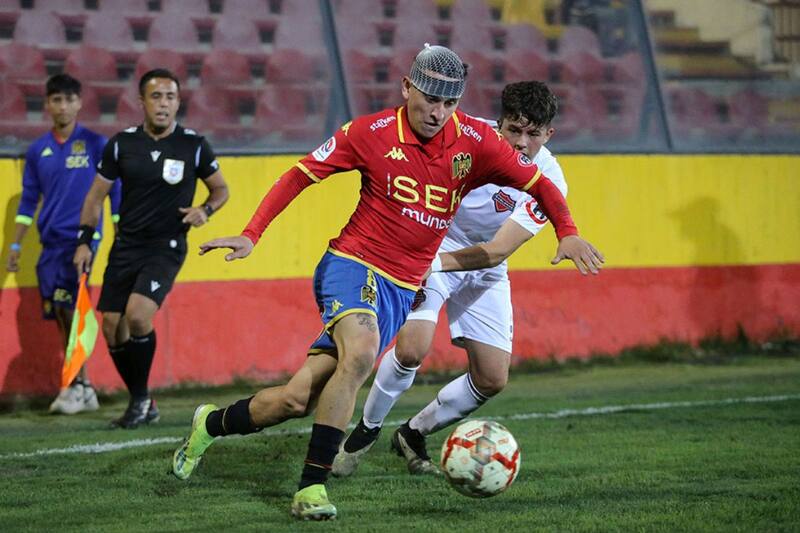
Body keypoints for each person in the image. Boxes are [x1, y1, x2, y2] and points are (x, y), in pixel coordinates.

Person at [172, 45, 603, 521]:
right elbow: (300, 175)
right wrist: (252, 233)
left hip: (403, 283)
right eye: (429, 100)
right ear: (406, 88)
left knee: (296, 399)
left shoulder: (477, 141)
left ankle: (209, 424)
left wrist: (568, 232)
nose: (438, 113)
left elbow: (541, 185)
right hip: (353, 262)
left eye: (449, 103)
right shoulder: (369, 133)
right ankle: (312, 488)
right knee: (361, 353)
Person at [332, 80, 598, 477]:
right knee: (411, 350)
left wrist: (436, 266)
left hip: (482, 265)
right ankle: (365, 432)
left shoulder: (550, 180)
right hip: (433, 245)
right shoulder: (463, 137)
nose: (522, 142)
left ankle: (412, 433)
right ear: (498, 124)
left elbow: (498, 250)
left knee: (492, 378)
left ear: (549, 134)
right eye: (514, 129)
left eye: (533, 134)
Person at [73, 68, 229, 429]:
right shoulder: (121, 144)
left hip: (167, 246)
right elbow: (95, 197)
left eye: (170, 97)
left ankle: (140, 401)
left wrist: (204, 210)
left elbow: (221, 190)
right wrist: (83, 241)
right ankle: (142, 399)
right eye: (156, 97)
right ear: (141, 101)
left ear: (178, 102)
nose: (163, 104)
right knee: (112, 325)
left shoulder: (193, 145)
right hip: (126, 245)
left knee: (138, 315)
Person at [6, 74, 121, 415]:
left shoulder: (97, 145)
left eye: (69, 99)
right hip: (50, 244)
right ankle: (81, 387)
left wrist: (120, 231)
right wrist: (14, 246)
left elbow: (114, 191)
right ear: (47, 105)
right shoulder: (38, 150)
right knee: (59, 311)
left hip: (83, 241)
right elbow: (28, 202)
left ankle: (78, 384)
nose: (63, 105)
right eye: (56, 99)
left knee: (71, 308)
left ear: (79, 103)